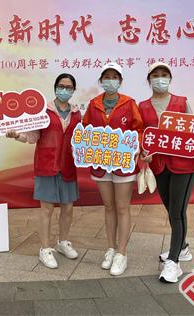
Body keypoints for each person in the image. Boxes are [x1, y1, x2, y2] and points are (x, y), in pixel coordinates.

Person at [138, 62, 194, 283]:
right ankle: (183, 247)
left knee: (177, 212)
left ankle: (174, 262)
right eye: (156, 75)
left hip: (184, 166)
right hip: (160, 166)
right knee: (172, 210)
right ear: (149, 80)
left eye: (164, 75)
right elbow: (142, 135)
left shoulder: (181, 102)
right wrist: (144, 151)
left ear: (170, 79)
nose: (160, 79)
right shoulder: (142, 106)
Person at [6, 74, 81, 269]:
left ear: (73, 90)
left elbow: (81, 139)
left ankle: (63, 242)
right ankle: (45, 249)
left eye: (69, 87)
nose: (64, 90)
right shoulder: (43, 111)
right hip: (47, 164)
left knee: (68, 207)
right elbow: (32, 136)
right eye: (61, 86)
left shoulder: (77, 113)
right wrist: (17, 135)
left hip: (68, 164)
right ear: (55, 87)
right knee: (47, 209)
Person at [82, 63, 144, 276]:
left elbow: (139, 130)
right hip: (100, 163)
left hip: (123, 163)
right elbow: (86, 130)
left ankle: (122, 253)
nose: (110, 80)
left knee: (122, 207)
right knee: (108, 207)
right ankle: (110, 248)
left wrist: (135, 147)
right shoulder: (94, 104)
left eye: (114, 77)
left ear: (120, 81)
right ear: (101, 81)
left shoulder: (129, 103)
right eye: (106, 77)